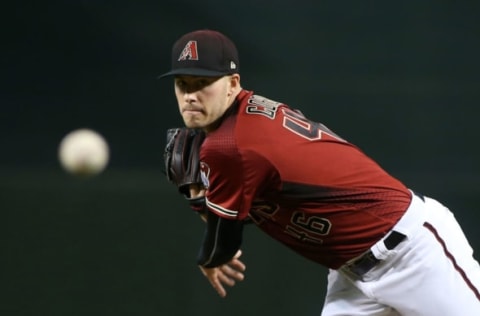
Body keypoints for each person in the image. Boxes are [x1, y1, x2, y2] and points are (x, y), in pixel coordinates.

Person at [159, 29, 480, 315]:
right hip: (351, 275)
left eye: (203, 83)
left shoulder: (228, 146)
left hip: (413, 254)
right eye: (182, 83)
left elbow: (222, 243)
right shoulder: (242, 119)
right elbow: (252, 207)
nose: (190, 95)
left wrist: (202, 216)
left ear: (232, 84)